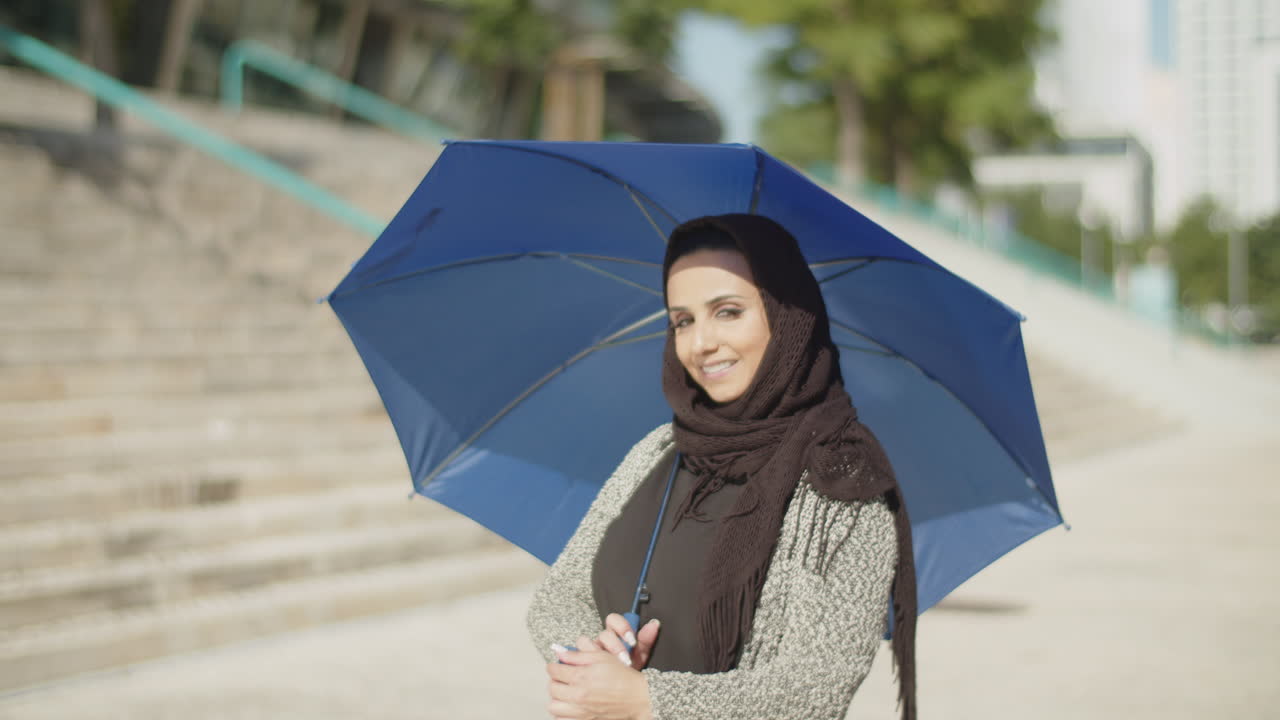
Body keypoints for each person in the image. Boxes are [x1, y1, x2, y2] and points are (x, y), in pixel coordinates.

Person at [526, 214, 918, 720]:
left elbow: (815, 686)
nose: (699, 344)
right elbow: (559, 597)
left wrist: (647, 701)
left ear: (786, 316)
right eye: (682, 320)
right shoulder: (659, 449)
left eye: (728, 312)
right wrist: (594, 657)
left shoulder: (844, 479)